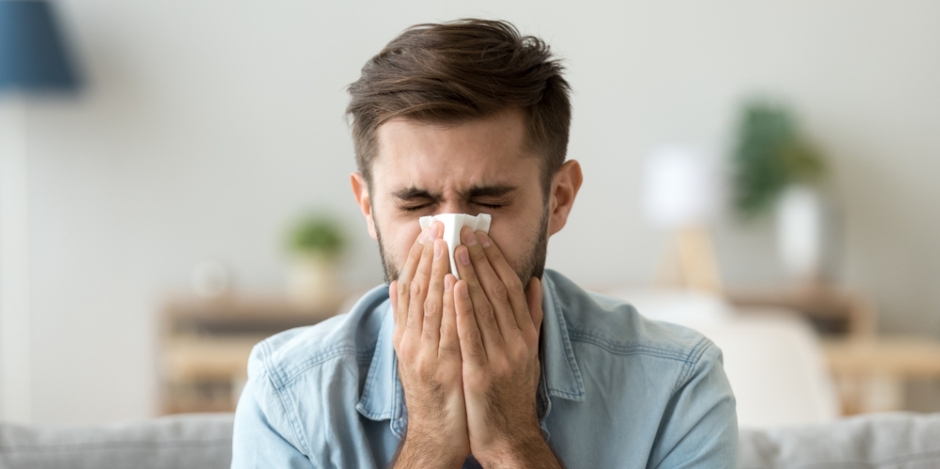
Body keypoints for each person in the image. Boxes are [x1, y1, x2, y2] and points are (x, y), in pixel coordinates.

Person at [232, 18, 737, 469]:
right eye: (415, 203)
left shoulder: (677, 386)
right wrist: (428, 444)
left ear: (558, 199)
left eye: (489, 201)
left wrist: (513, 441)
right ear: (368, 207)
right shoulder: (287, 397)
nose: (453, 244)